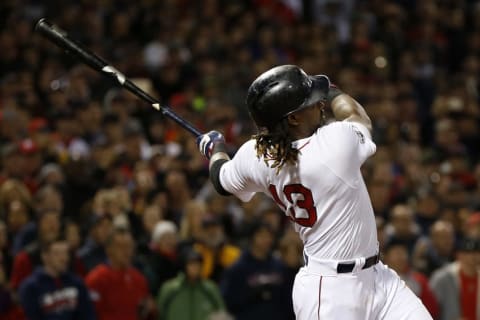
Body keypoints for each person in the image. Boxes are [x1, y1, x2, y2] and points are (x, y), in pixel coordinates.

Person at [196, 65, 432, 319]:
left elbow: (221, 180)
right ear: (293, 119)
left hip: (377, 277)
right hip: (330, 292)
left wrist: (215, 147)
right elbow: (357, 115)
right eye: (311, 101)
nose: (320, 104)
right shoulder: (334, 144)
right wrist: (330, 90)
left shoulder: (254, 155)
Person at [220, 223, 293, 320]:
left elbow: (289, 300)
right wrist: (251, 293)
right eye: (262, 236)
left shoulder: (280, 266)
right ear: (252, 238)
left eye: (269, 236)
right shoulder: (238, 269)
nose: (266, 240)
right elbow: (229, 302)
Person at [85, 227, 154, 320]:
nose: (127, 251)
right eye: (121, 246)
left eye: (129, 246)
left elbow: (146, 312)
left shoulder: (139, 279)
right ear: (109, 250)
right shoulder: (96, 279)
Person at [18, 237, 95, 320]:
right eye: (57, 253)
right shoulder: (31, 287)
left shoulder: (77, 282)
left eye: (65, 253)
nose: (64, 258)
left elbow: (88, 315)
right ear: (45, 256)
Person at [157, 247, 228, 320]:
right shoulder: (170, 288)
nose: (195, 267)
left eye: (198, 264)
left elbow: (221, 312)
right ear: (184, 266)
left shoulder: (209, 288)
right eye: (191, 264)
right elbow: (160, 313)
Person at [429, 237, 480, 320]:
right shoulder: (442, 278)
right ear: (459, 255)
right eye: (467, 253)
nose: (472, 257)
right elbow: (430, 309)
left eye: (476, 252)